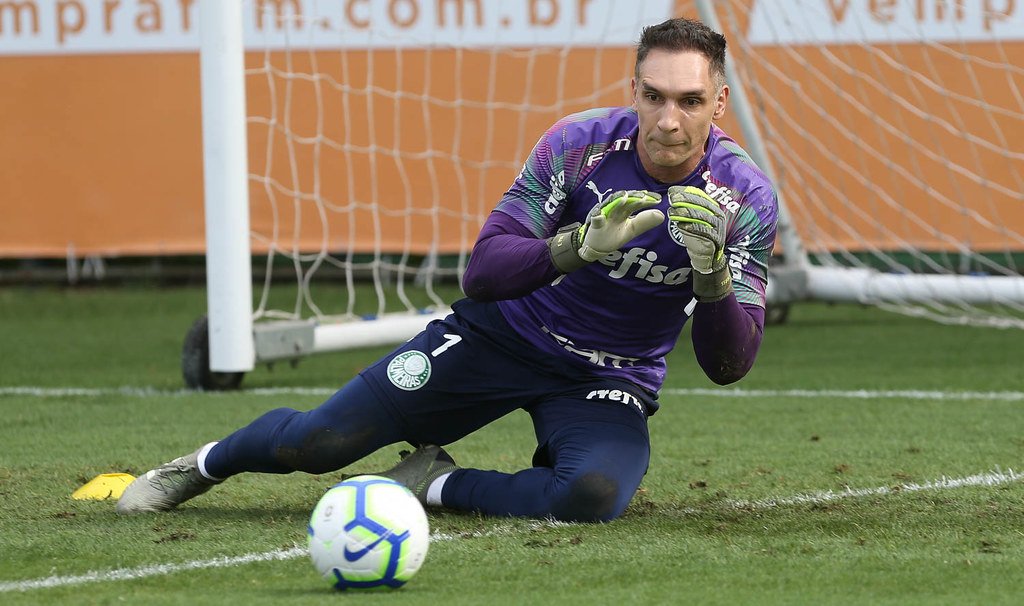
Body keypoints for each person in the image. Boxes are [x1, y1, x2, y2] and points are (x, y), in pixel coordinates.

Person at [117, 17, 778, 523]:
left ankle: (430, 481)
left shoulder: (744, 198)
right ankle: (202, 465)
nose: (668, 120)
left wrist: (711, 273)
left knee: (592, 494)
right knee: (320, 442)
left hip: (609, 374)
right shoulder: (577, 147)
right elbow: (483, 273)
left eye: (690, 101)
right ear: (632, 91)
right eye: (655, 97)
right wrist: (576, 245)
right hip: (499, 337)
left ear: (717, 105)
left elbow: (729, 365)